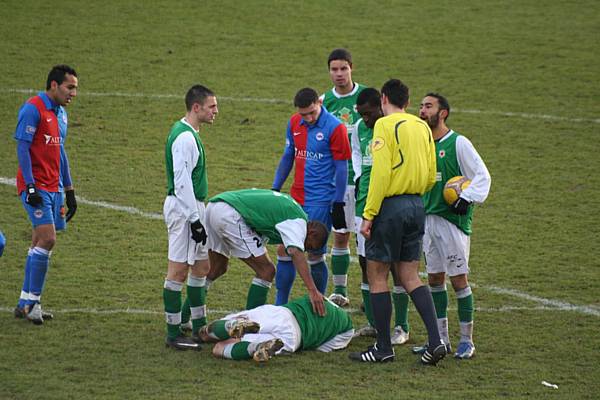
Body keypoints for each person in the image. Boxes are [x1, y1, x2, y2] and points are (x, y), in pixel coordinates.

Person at [349, 79, 444, 365]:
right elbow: (430, 174)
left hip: (389, 207)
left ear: (384, 98)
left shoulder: (384, 126)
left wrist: (369, 214)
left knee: (378, 275)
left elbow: (379, 174)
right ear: (408, 100)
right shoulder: (421, 126)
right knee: (411, 275)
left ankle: (382, 347)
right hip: (417, 204)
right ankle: (436, 342)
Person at [412, 93, 491, 360]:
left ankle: (467, 340)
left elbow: (482, 175)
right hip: (427, 220)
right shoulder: (422, 143)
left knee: (458, 279)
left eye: (428, 106)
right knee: (434, 278)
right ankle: (441, 338)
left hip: (451, 223)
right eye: (421, 106)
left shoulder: (459, 143)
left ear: (442, 113)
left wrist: (466, 198)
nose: (422, 111)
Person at [272, 87, 351, 305]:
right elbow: (289, 155)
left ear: (319, 103)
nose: (307, 118)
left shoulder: (336, 128)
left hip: (321, 200)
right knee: (284, 248)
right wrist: (275, 188)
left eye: (311, 113)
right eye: (303, 114)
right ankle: (281, 304)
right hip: (296, 199)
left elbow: (342, 167)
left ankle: (320, 301)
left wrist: (337, 202)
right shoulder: (294, 122)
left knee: (314, 253)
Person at [13, 65, 79, 325]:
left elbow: (60, 152)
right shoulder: (33, 109)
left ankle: (24, 302)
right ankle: (33, 303)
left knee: (38, 242)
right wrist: (29, 186)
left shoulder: (61, 114)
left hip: (55, 188)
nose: (73, 93)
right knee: (48, 239)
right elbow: (22, 147)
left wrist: (70, 189)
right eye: (69, 87)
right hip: (36, 186)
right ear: (54, 85)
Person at [205, 188, 328, 316]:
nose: (306, 250)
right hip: (231, 214)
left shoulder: (294, 211)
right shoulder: (298, 224)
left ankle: (191, 321)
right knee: (266, 271)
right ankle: (251, 324)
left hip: (215, 205)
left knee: (216, 269)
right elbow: (295, 252)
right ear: (312, 233)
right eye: (309, 246)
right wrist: (313, 290)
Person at [351, 88, 410, 346]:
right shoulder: (358, 128)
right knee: (366, 264)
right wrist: (356, 179)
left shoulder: (390, 129)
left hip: (387, 208)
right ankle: (375, 323)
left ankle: (402, 326)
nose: (366, 120)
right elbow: (357, 157)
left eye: (369, 114)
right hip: (362, 206)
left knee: (396, 266)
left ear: (381, 107)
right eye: (362, 115)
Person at [162, 84, 218, 350]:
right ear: (196, 107)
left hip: (193, 207)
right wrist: (195, 220)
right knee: (178, 270)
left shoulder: (188, 132)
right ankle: (173, 334)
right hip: (185, 209)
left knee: (202, 267)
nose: (216, 111)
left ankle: (199, 327)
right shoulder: (184, 138)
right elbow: (182, 181)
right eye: (211, 106)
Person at [320, 48, 366, 306]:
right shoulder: (323, 101)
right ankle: (340, 292)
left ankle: (369, 291)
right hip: (336, 179)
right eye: (334, 69)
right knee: (340, 234)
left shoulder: (366, 97)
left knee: (364, 239)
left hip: (362, 178)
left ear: (352, 68)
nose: (339, 74)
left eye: (343, 69)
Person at [199, 295, 354, 363]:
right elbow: (320, 348)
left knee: (205, 334)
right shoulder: (347, 330)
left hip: (280, 315)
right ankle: (255, 347)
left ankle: (229, 326)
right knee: (220, 349)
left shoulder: (316, 299)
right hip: (293, 339)